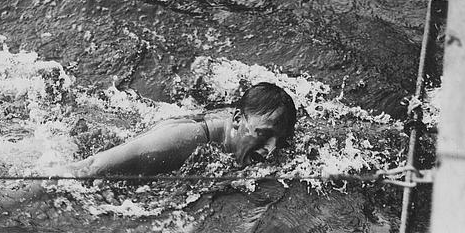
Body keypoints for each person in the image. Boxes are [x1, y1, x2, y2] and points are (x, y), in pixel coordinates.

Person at [59, 82, 297, 177]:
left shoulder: (246, 130)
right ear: (236, 120)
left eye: (280, 140)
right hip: (73, 144)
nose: (271, 149)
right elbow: (89, 167)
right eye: (264, 134)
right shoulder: (180, 142)